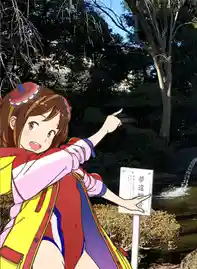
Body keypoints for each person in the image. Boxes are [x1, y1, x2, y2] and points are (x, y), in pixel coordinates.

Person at [0, 82, 147, 269]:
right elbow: (67, 158)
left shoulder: (57, 161)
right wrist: (103, 131)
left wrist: (125, 202)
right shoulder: (15, 165)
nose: (42, 138)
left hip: (75, 240)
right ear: (14, 123)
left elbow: (90, 184)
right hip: (36, 238)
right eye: (34, 124)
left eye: (51, 132)